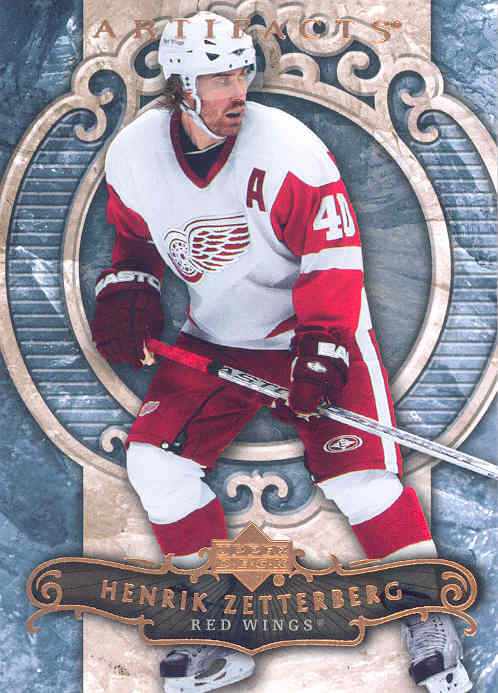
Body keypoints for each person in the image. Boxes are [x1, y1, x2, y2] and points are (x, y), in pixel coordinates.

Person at [90, 11, 472, 693]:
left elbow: (333, 258)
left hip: (313, 330)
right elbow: (135, 240)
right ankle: (221, 626)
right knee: (154, 464)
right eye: (217, 79)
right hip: (218, 336)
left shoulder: (289, 149)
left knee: (360, 480)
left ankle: (428, 617)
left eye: (241, 73)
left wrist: (322, 351)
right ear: (180, 88)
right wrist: (129, 288)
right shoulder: (134, 154)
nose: (237, 90)